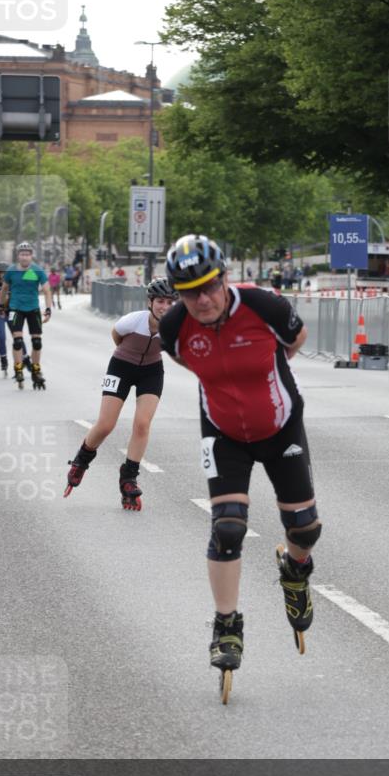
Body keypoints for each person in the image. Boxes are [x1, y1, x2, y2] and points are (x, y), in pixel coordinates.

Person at [159, 234, 322, 686]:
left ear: (226, 278)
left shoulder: (263, 306)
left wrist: (261, 373)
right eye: (189, 292)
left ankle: (295, 568)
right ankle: (226, 624)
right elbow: (188, 362)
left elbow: (296, 338)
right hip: (223, 433)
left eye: (210, 286)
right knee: (228, 526)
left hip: (281, 425)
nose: (203, 299)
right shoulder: (174, 328)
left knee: (305, 526)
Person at [64, 277, 178, 509]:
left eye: (169, 302)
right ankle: (81, 460)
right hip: (121, 367)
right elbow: (116, 336)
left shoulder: (175, 326)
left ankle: (129, 478)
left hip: (152, 371)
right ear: (150, 302)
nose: (164, 307)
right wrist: (128, 355)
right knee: (106, 424)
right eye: (160, 301)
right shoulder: (133, 320)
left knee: (142, 425)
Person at [0, 241, 52, 389]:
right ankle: (18, 368)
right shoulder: (11, 271)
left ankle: (36, 369)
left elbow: (47, 290)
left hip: (33, 308)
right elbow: (4, 289)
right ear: (18, 256)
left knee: (37, 342)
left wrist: (48, 309)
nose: (25, 257)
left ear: (31, 256)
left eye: (27, 254)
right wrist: (1, 305)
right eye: (22, 254)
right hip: (15, 308)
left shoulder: (37, 270)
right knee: (17, 341)